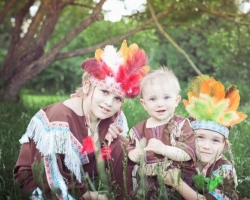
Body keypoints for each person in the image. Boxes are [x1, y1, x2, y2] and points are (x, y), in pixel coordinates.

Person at [14, 40, 150, 200]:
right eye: (104, 92)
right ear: (87, 87)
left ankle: (130, 191)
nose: (109, 103)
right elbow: (48, 167)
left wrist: (107, 141)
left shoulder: (109, 112)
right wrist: (85, 194)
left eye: (117, 99)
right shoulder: (60, 118)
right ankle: (75, 192)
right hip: (43, 174)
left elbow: (113, 148)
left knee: (120, 143)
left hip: (80, 169)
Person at [164, 74, 248, 200]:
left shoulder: (224, 170)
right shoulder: (183, 156)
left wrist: (177, 183)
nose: (206, 146)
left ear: (224, 146)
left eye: (215, 140)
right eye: (200, 137)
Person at [127, 67, 196, 199]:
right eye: (153, 99)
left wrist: (163, 149)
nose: (160, 104)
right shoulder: (137, 130)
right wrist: (133, 154)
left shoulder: (181, 125)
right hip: (148, 184)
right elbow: (130, 148)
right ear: (143, 103)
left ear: (176, 101)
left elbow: (187, 154)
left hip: (179, 181)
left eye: (166, 98)